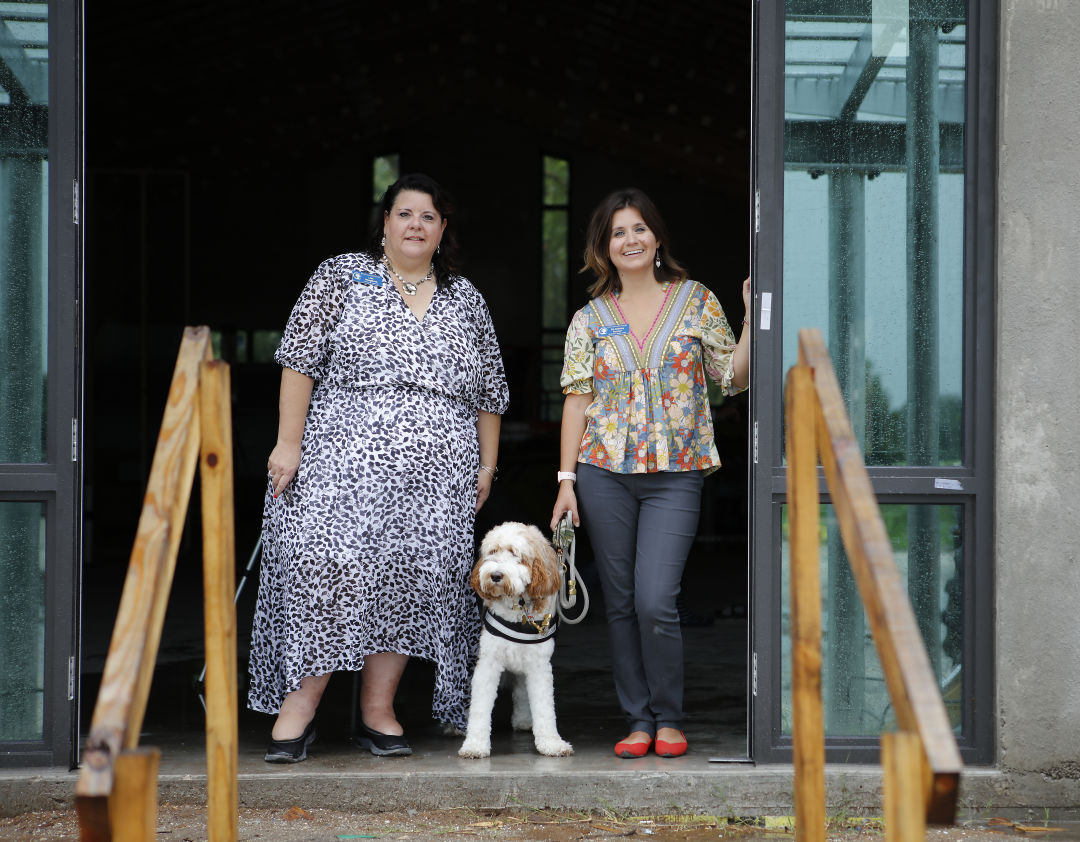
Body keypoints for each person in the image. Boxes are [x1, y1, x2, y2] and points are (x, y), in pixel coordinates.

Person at [249, 173, 509, 762]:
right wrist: (288, 443)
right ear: (385, 222)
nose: (415, 225)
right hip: (339, 461)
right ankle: (300, 707)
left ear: (443, 231)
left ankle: (377, 712)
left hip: (438, 475)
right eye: (404, 213)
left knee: (409, 581)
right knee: (325, 569)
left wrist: (487, 466)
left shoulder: (465, 299)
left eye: (429, 217)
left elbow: (491, 391)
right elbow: (298, 360)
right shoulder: (340, 275)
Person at [550, 187, 749, 759]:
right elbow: (576, 401)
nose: (630, 240)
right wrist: (566, 481)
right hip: (602, 472)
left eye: (639, 228)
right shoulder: (589, 319)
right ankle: (638, 720)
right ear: (604, 248)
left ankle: (669, 716)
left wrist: (751, 317)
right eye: (618, 232)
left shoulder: (696, 301)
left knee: (655, 598)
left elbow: (729, 378)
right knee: (618, 600)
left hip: (675, 473)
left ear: (657, 237)